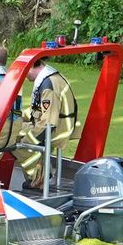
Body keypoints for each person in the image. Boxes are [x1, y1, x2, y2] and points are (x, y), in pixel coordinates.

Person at [23, 58, 78, 187]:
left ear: (32, 66)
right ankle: (39, 174)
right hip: (57, 125)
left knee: (16, 141)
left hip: (58, 130)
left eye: (25, 71)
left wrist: (29, 140)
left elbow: (48, 123)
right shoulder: (49, 78)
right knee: (17, 128)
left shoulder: (48, 86)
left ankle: (38, 179)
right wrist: (19, 116)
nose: (24, 76)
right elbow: (37, 110)